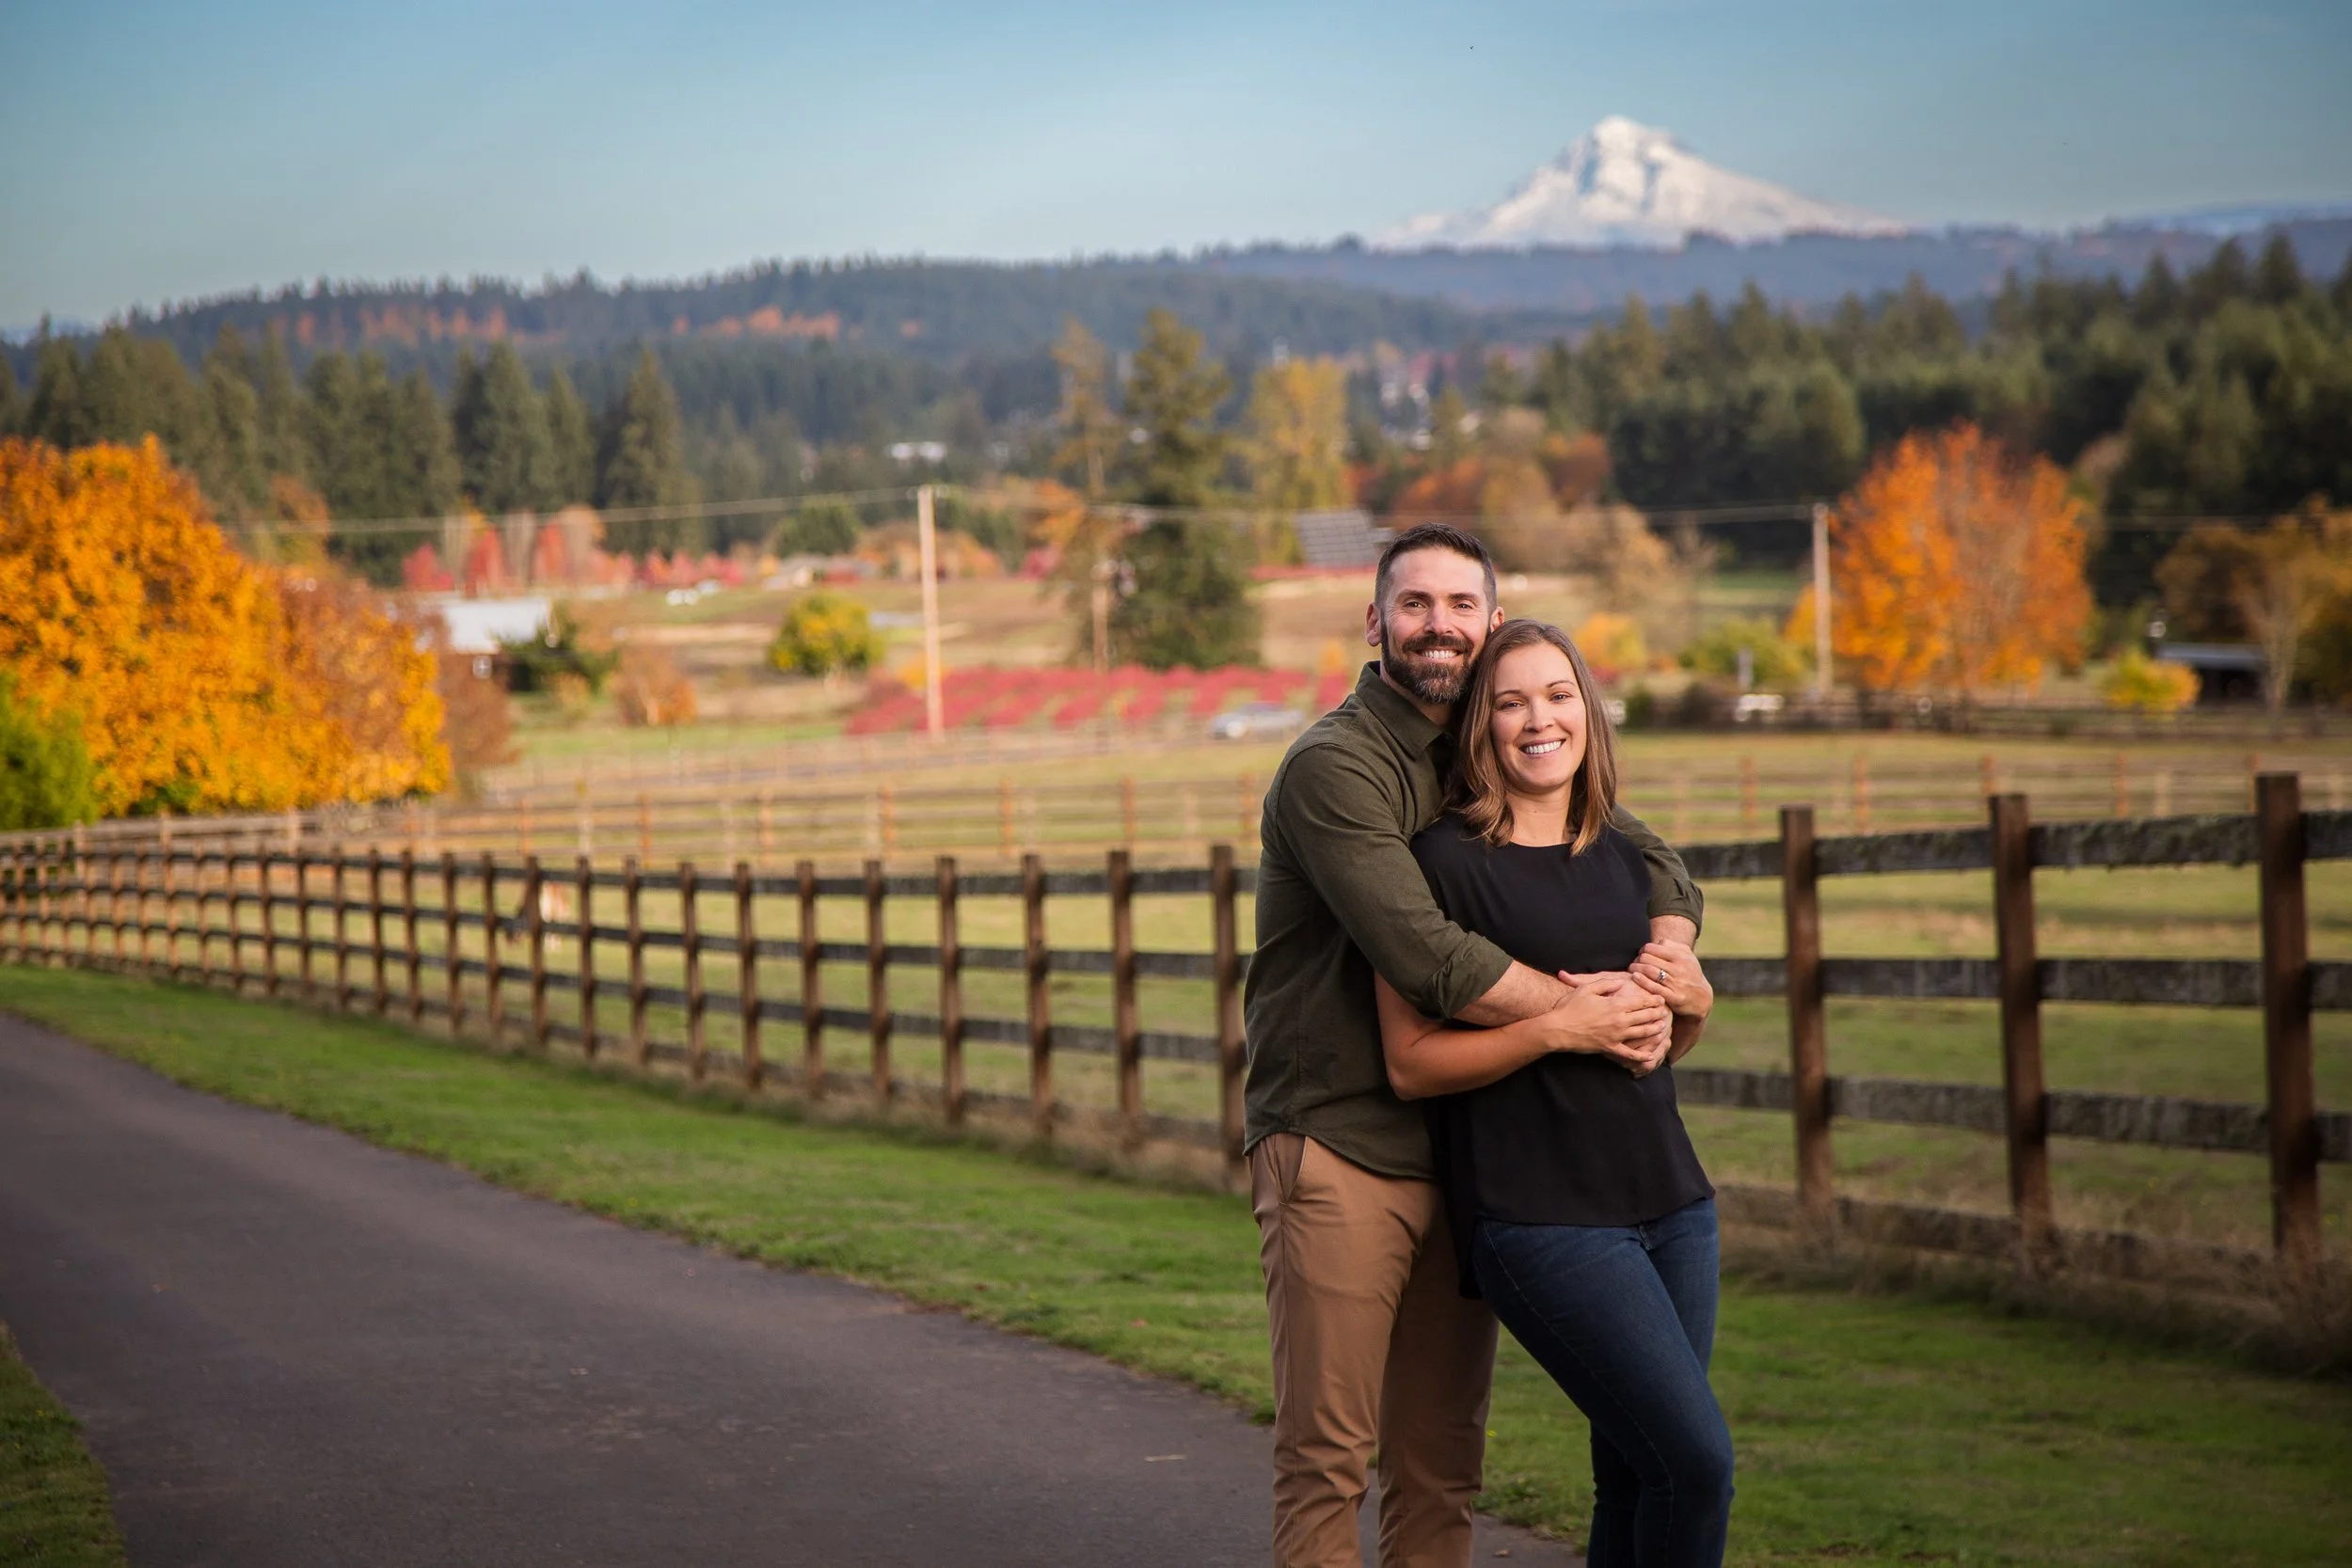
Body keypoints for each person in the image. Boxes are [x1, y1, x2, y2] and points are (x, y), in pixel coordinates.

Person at [1245, 523, 1703, 1568]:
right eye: (1414, 604)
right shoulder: (1335, 766)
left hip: (1466, 1151)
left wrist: (1674, 954)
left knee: (1440, 1460)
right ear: (1374, 622)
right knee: (1327, 1454)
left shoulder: (1485, 748)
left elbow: (1648, 853)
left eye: (1460, 606)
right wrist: (1585, 1017)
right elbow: (1432, 957)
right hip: (1340, 1142)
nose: (1437, 625)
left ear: (1491, 624)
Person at [1377, 618, 1730, 1568]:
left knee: (1636, 1471)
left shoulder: (1622, 855)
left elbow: (1649, 1042)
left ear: (1589, 709)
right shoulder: (1437, 864)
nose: (1539, 719)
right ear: (1480, 726)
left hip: (1673, 1202)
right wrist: (1552, 1025)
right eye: (1509, 700)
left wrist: (1688, 1004)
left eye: (1558, 693)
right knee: (1694, 1465)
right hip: (1539, 1218)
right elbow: (1410, 1061)